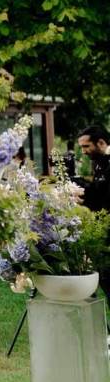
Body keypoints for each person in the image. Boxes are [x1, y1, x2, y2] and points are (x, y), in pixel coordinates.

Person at [78, 126, 110, 302]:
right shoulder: (100, 161)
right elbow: (100, 195)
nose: (83, 152)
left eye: (86, 146)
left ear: (101, 142)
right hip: (102, 232)